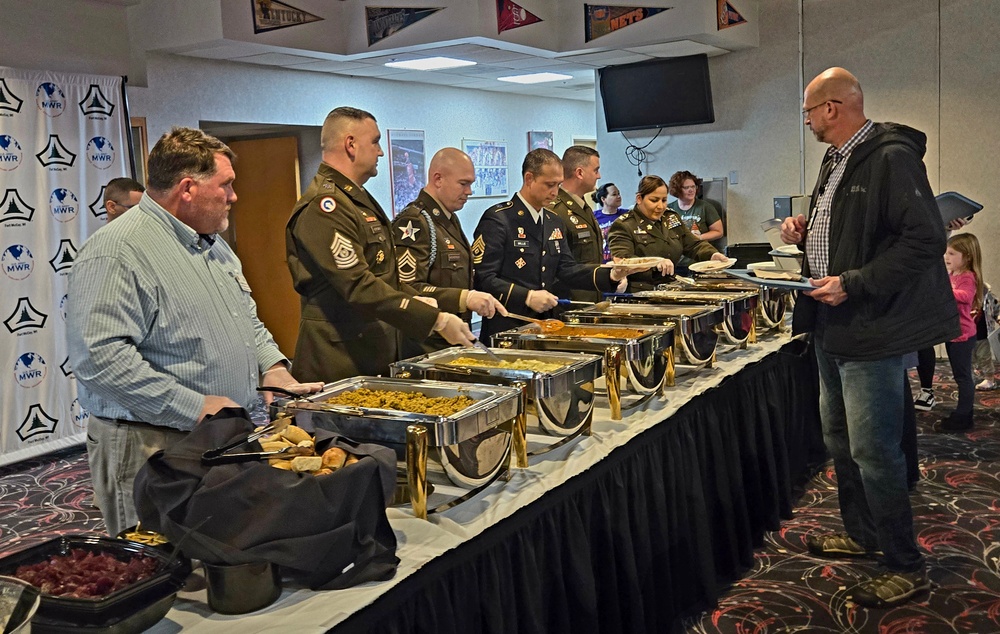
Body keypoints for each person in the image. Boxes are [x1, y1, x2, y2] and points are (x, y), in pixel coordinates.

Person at [66, 127, 324, 537]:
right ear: (187, 189)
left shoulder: (213, 244)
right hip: (151, 445)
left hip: (217, 435)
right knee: (163, 570)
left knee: (218, 556)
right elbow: (100, 361)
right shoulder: (117, 251)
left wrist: (271, 366)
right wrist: (193, 405)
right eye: (226, 185)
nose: (234, 196)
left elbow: (246, 320)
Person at [779, 67, 958, 608]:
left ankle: (905, 563)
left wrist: (854, 283)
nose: (807, 121)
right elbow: (857, 229)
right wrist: (806, 229)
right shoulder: (837, 159)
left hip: (872, 325)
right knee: (839, 440)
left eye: (809, 112)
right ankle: (862, 535)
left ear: (832, 108)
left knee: (874, 451)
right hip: (832, 324)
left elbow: (924, 237)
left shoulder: (890, 156)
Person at [286, 107, 475, 382]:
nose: (381, 152)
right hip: (338, 360)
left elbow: (386, 277)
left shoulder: (356, 200)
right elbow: (358, 285)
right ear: (350, 144)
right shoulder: (325, 206)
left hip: (369, 350)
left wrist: (420, 302)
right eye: (375, 142)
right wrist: (435, 319)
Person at [472, 148, 633, 341]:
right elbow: (483, 277)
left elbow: (567, 269)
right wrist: (527, 296)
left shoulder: (553, 220)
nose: (555, 192)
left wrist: (611, 274)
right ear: (529, 178)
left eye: (558, 185)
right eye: (549, 185)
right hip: (507, 325)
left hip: (545, 325)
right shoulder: (500, 219)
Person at [392, 147, 506, 356]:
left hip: (453, 342)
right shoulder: (415, 221)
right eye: (463, 184)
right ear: (438, 179)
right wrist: (464, 298)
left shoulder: (447, 219)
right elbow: (407, 287)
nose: (469, 192)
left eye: (470, 184)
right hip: (427, 345)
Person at [607, 175, 729, 292]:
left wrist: (712, 254)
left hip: (669, 287)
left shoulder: (670, 217)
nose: (660, 206)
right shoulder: (624, 225)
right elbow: (623, 261)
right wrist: (655, 262)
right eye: (654, 200)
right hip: (640, 291)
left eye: (664, 200)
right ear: (639, 198)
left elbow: (693, 244)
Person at [934, 233, 984, 432]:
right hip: (953, 333)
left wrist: (944, 289)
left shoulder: (967, 277)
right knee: (959, 375)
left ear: (967, 257)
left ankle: (964, 416)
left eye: (952, 253)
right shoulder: (952, 275)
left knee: (964, 377)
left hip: (963, 335)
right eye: (946, 252)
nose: (947, 257)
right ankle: (964, 412)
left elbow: (966, 296)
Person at [548, 145, 604, 302]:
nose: (599, 176)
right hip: (570, 302)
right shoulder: (556, 210)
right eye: (596, 170)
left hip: (591, 298)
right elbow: (555, 267)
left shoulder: (583, 206)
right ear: (579, 173)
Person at [666, 170, 724, 252]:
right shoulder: (669, 209)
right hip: (677, 259)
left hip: (700, 257)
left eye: (693, 187)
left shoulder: (705, 207)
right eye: (686, 187)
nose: (691, 190)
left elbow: (718, 232)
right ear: (677, 189)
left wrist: (698, 238)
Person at [591, 183, 628, 263]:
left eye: (619, 194)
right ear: (603, 199)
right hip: (602, 261)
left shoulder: (627, 214)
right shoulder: (593, 216)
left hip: (622, 260)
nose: (619, 196)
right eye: (614, 194)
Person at [974, 283, 999, 390]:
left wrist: (998, 317)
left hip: (982, 334)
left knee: (984, 357)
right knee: (968, 357)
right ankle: (973, 374)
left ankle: (989, 379)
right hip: (966, 333)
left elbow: (996, 307)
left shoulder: (986, 295)